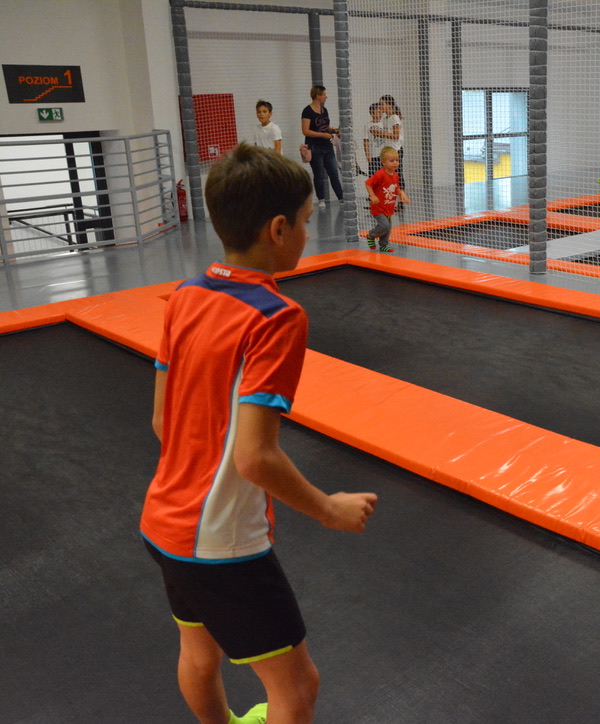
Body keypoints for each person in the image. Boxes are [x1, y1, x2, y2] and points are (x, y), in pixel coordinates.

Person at [141, 143, 379, 724]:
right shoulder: (277, 317)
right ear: (277, 229)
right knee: (296, 686)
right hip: (221, 543)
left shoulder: (185, 296)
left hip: (163, 521)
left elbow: (161, 421)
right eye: (304, 221)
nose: (306, 232)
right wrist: (329, 509)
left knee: (199, 653)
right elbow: (254, 457)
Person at [301, 84, 342, 209]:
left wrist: (333, 130)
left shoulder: (324, 110)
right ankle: (321, 199)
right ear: (318, 96)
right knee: (318, 173)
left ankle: (341, 197)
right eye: (324, 95)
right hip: (314, 146)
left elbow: (325, 126)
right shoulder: (307, 111)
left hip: (327, 146)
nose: (326, 97)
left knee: (333, 172)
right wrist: (322, 135)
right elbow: (305, 131)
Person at [363, 146, 410, 253]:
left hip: (388, 206)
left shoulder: (395, 175)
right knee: (384, 225)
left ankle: (383, 244)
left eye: (397, 160)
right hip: (378, 206)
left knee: (388, 227)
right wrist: (372, 196)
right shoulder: (380, 174)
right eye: (392, 161)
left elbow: (396, 188)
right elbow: (368, 183)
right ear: (383, 162)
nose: (395, 163)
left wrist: (401, 193)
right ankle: (371, 235)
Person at [369, 95, 404, 188]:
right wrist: (378, 134)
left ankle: (401, 194)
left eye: (382, 104)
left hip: (396, 150)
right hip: (389, 150)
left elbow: (396, 136)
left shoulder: (394, 118)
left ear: (389, 105)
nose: (380, 106)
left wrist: (381, 134)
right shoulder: (385, 119)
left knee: (398, 174)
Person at [364, 102, 384, 177]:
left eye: (381, 112)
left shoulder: (384, 124)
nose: (380, 114)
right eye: (378, 112)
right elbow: (365, 141)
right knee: (373, 176)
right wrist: (367, 154)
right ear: (372, 113)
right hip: (373, 155)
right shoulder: (368, 125)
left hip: (383, 155)